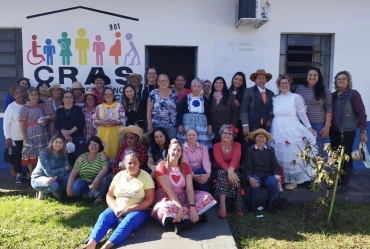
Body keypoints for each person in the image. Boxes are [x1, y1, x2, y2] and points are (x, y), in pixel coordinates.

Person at [77, 152, 155, 249]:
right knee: (103, 217)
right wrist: (115, 208)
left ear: (139, 163)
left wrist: (130, 209)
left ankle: (107, 246)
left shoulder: (146, 177)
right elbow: (109, 195)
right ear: (125, 164)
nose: (132, 165)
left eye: (135, 162)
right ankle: (91, 244)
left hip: (138, 210)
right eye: (129, 163)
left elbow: (149, 200)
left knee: (128, 221)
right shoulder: (119, 175)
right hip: (117, 208)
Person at [151, 139, 216, 233]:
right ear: (168, 150)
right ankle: (195, 219)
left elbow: (189, 189)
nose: (176, 152)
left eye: (179, 150)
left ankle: (184, 223)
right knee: (165, 208)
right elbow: (168, 190)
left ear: (182, 153)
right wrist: (180, 207)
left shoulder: (185, 166)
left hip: (184, 196)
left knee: (206, 197)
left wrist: (192, 206)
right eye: (174, 149)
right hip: (168, 197)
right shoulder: (161, 166)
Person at [270, 75, 316, 190]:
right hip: (277, 130)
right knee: (280, 155)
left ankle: (294, 180)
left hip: (292, 129)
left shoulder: (296, 97)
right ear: (278, 86)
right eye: (281, 83)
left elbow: (302, 114)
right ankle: (281, 178)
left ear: (290, 84)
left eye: (286, 83)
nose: (284, 85)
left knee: (292, 155)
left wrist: (309, 128)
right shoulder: (274, 98)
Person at [329, 70, 367, 193]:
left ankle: (345, 184)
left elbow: (362, 113)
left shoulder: (353, 94)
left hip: (348, 131)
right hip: (334, 131)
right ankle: (337, 182)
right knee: (335, 156)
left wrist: (363, 131)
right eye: (339, 79)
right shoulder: (333, 96)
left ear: (348, 81)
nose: (341, 81)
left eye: (343, 79)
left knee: (346, 157)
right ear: (335, 81)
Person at [296, 67, 332, 153]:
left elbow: (329, 108)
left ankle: (320, 167)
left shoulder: (324, 90)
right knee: (304, 150)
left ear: (319, 77)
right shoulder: (300, 89)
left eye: (315, 75)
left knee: (319, 149)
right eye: (310, 75)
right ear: (306, 76)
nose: (312, 77)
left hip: (319, 125)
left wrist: (327, 126)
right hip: (303, 125)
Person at [244, 129, 280, 214]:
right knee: (255, 182)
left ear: (266, 139)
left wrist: (277, 176)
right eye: (258, 137)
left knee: (273, 182)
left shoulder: (271, 150)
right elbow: (247, 166)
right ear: (255, 138)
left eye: (263, 137)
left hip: (267, 174)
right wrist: (249, 177)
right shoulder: (250, 150)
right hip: (255, 173)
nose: (260, 139)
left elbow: (275, 165)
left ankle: (269, 203)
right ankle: (252, 203)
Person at [66, 136, 110, 203]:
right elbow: (73, 173)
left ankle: (100, 196)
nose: (94, 146)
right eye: (92, 144)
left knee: (103, 178)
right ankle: (86, 191)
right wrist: (68, 188)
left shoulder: (102, 154)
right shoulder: (82, 157)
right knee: (74, 190)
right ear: (88, 145)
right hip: (83, 179)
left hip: (96, 180)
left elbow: (105, 169)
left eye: (96, 145)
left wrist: (97, 180)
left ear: (99, 146)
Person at [213, 124, 243, 217]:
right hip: (220, 169)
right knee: (222, 174)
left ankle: (236, 201)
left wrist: (231, 172)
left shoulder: (237, 145)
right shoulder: (216, 145)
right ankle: (222, 205)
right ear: (221, 134)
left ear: (233, 136)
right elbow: (220, 161)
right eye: (225, 133)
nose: (227, 135)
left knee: (235, 176)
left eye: (230, 133)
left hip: (234, 169)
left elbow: (235, 159)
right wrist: (229, 172)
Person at [31, 134, 72, 200]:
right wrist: (64, 169)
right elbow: (49, 173)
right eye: (56, 142)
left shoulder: (64, 154)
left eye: (60, 142)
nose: (58, 144)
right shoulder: (43, 154)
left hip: (55, 178)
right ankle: (43, 192)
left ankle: (57, 193)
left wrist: (56, 177)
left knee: (69, 176)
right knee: (55, 185)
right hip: (39, 177)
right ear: (52, 142)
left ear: (63, 144)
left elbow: (68, 169)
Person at [19, 87, 49, 175]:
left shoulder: (40, 107)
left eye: (35, 95)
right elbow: (22, 124)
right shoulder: (24, 108)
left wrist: (44, 121)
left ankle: (42, 173)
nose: (34, 97)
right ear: (28, 96)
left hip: (42, 133)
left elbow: (45, 118)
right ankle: (32, 174)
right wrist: (24, 138)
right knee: (30, 153)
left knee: (42, 153)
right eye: (32, 95)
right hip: (31, 134)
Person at [177, 78, 213, 148]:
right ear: (191, 87)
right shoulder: (186, 98)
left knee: (201, 145)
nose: (196, 88)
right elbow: (179, 112)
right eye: (195, 86)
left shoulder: (204, 100)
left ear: (201, 88)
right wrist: (180, 125)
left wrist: (210, 126)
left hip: (201, 125)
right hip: (187, 124)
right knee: (187, 144)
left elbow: (209, 114)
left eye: (199, 86)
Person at [240, 69, 275, 137]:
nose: (261, 80)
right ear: (255, 80)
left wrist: (270, 119)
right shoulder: (249, 91)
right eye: (259, 78)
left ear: (266, 80)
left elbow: (272, 109)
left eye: (263, 78)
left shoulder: (270, 93)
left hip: (266, 126)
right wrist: (245, 125)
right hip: (252, 125)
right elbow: (244, 110)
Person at [93, 87, 126, 160]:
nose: (108, 96)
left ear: (113, 96)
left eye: (110, 94)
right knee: (102, 150)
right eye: (106, 94)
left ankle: (114, 167)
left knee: (115, 151)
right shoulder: (99, 107)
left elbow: (123, 120)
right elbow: (94, 121)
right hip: (102, 134)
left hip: (115, 134)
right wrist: (100, 122)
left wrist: (116, 122)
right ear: (103, 96)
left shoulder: (119, 106)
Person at [54, 91, 86, 164]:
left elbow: (81, 122)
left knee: (78, 157)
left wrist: (70, 131)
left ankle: (78, 173)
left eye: (70, 97)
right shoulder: (59, 110)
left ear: (73, 99)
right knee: (65, 158)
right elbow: (56, 124)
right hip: (63, 137)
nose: (68, 99)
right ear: (62, 99)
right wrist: (63, 132)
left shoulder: (78, 109)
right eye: (66, 97)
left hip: (77, 137)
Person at [3, 85, 26, 183]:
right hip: (16, 137)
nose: (20, 94)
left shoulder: (28, 104)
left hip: (28, 137)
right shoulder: (11, 107)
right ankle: (19, 175)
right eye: (17, 93)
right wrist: (8, 138)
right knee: (17, 156)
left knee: (30, 156)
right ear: (13, 95)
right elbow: (6, 124)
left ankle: (30, 173)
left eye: (21, 92)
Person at [147, 74, 178, 139]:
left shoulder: (174, 93)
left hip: (171, 125)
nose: (163, 82)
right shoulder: (153, 93)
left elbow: (176, 108)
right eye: (161, 81)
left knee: (171, 145)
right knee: (158, 145)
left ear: (168, 82)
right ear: (158, 82)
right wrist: (149, 124)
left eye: (165, 81)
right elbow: (149, 110)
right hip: (157, 125)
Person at [210, 77, 239, 143]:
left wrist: (232, 128)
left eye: (220, 83)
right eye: (216, 83)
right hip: (213, 131)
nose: (218, 84)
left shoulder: (231, 96)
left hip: (227, 132)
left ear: (224, 85)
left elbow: (235, 113)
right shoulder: (211, 97)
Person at [229, 72, 247, 144]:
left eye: (240, 80)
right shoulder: (227, 91)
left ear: (243, 82)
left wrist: (240, 105)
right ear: (233, 79)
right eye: (236, 79)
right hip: (228, 120)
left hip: (239, 122)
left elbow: (247, 108)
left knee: (238, 142)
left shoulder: (246, 93)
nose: (237, 81)